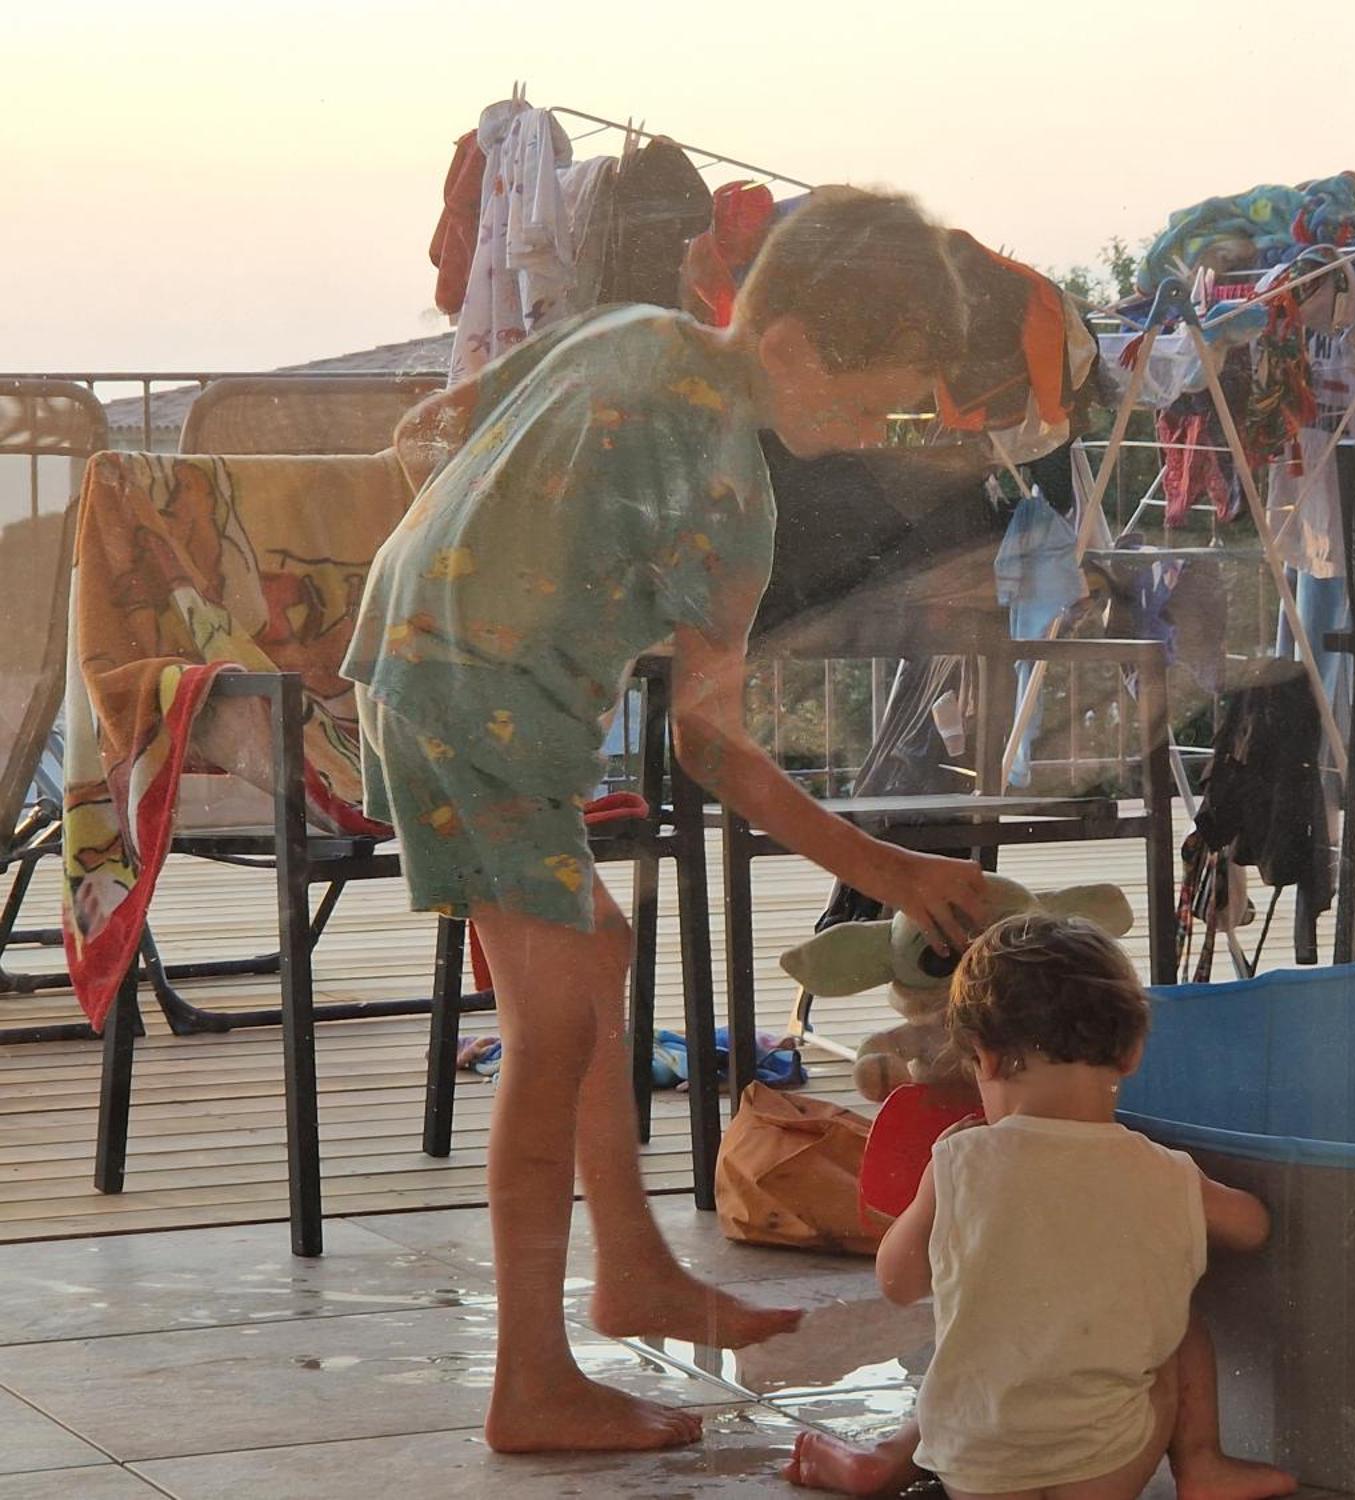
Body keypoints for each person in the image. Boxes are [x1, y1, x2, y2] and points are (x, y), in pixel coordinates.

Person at [340, 188, 994, 1455]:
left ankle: (630, 1268)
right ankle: (529, 1380)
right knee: (556, 1027)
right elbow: (712, 745)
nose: (866, 434)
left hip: (413, 661)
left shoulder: (625, 330)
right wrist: (884, 866)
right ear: (794, 346)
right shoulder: (732, 495)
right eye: (868, 405)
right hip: (488, 712)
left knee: (598, 949)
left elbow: (448, 415)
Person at [786, 913, 1297, 1500]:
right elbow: (1252, 1227)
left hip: (977, 1472)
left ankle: (887, 1460)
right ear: (1130, 1054)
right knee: (1177, 1325)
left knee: (980, 1345)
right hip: (1103, 1472)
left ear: (988, 1059)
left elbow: (898, 1281)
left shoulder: (959, 1162)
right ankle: (1203, 1466)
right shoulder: (1161, 1169)